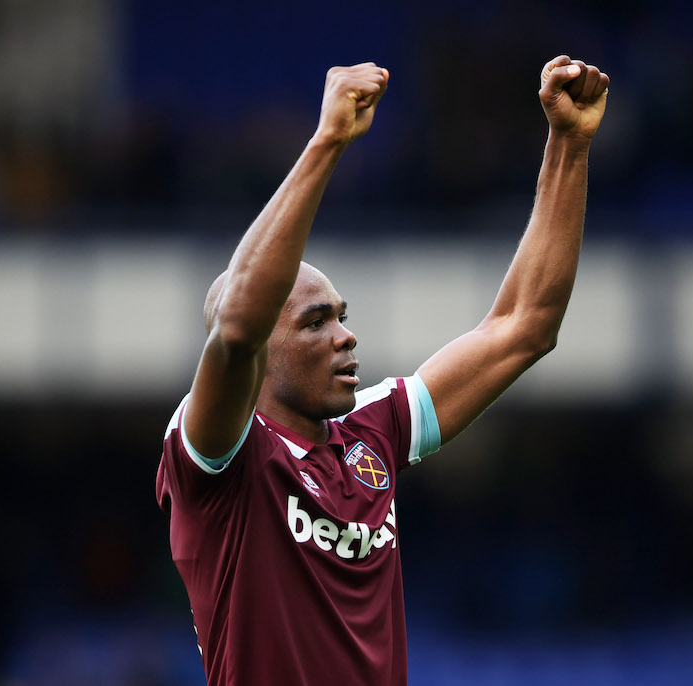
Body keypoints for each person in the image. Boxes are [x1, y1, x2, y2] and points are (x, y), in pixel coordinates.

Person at [156, 54, 609, 686]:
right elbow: (236, 326)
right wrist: (328, 141)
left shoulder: (375, 430)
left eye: (341, 317)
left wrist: (569, 145)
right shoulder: (217, 456)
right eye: (315, 322)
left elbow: (524, 326)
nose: (345, 336)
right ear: (261, 352)